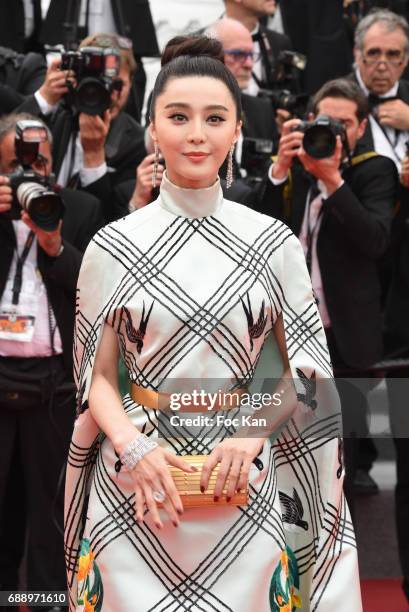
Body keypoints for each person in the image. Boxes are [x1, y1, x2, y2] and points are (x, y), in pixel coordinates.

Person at [64, 36, 362, 611]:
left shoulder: (273, 242)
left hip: (241, 479)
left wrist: (249, 436)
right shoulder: (112, 245)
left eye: (214, 118)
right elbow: (95, 381)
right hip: (134, 482)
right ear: (153, 128)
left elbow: (305, 373)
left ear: (235, 131)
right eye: (178, 116)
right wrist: (130, 446)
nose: (195, 133)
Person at [260, 77, 397, 516]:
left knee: (343, 458)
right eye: (324, 122)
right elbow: (251, 231)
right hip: (284, 333)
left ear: (360, 129)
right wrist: (280, 169)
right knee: (286, 448)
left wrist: (333, 181)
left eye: (343, 124)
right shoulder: (295, 169)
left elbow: (375, 239)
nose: (332, 133)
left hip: (344, 336)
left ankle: (340, 553)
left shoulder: (375, 170)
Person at [0, 112, 103, 610]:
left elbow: (96, 287)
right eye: (18, 159)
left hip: (53, 387)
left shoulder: (80, 208)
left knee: (51, 513)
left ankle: (45, 602)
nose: (30, 170)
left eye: (39, 158)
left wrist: (53, 242)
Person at [17, 32, 146, 223]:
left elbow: (109, 222)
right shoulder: (53, 114)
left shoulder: (137, 142)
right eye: (97, 80)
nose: (107, 93)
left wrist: (94, 156)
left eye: (116, 84)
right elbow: (8, 148)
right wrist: (43, 98)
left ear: (131, 83)